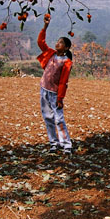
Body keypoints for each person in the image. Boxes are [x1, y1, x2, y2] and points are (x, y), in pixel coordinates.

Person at [37, 14, 74, 154]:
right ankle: (54, 143)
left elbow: (63, 82)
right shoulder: (50, 54)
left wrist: (60, 98)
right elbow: (40, 42)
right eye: (57, 41)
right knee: (48, 117)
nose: (57, 43)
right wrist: (45, 26)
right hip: (44, 89)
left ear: (66, 48)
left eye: (61, 42)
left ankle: (67, 145)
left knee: (59, 119)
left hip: (54, 94)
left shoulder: (66, 62)